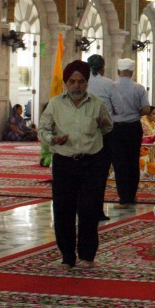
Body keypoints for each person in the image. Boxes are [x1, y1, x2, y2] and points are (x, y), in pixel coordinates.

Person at [38, 59, 113, 271]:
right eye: (72, 82)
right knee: (63, 210)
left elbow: (107, 128)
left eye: (81, 82)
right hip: (64, 162)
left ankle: (87, 255)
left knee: (89, 210)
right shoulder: (55, 104)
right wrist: (52, 139)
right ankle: (67, 256)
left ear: (87, 83)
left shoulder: (97, 104)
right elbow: (43, 129)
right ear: (66, 83)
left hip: (91, 164)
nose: (76, 86)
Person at [107, 58, 150, 208]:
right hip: (133, 127)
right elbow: (146, 109)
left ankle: (123, 196)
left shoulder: (111, 86)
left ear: (119, 72)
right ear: (132, 72)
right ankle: (131, 194)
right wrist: (135, 111)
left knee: (119, 162)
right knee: (133, 161)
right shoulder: (139, 88)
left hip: (116, 128)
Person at [86, 54, 115, 221]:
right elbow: (117, 108)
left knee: (85, 173)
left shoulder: (82, 83)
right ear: (103, 68)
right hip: (104, 134)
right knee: (100, 173)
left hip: (83, 133)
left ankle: (83, 207)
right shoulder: (109, 84)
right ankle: (96, 209)